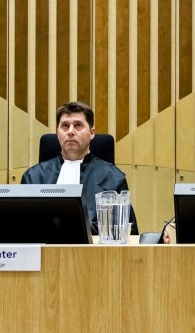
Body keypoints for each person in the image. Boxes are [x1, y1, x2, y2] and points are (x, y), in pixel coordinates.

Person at [21, 100, 137, 234]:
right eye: (65, 126)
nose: (70, 131)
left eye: (78, 126)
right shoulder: (33, 177)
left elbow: (126, 230)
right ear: (57, 133)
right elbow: (22, 227)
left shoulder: (114, 178)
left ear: (92, 133)